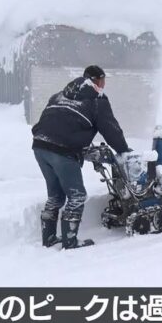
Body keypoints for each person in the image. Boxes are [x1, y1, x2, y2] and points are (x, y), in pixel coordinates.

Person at [32, 65, 130, 250]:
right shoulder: (97, 100)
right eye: (102, 80)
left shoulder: (59, 95)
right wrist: (124, 150)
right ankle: (70, 242)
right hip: (62, 150)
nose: (103, 84)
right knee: (77, 196)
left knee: (55, 196)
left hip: (40, 146)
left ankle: (49, 238)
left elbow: (55, 120)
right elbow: (111, 131)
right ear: (95, 81)